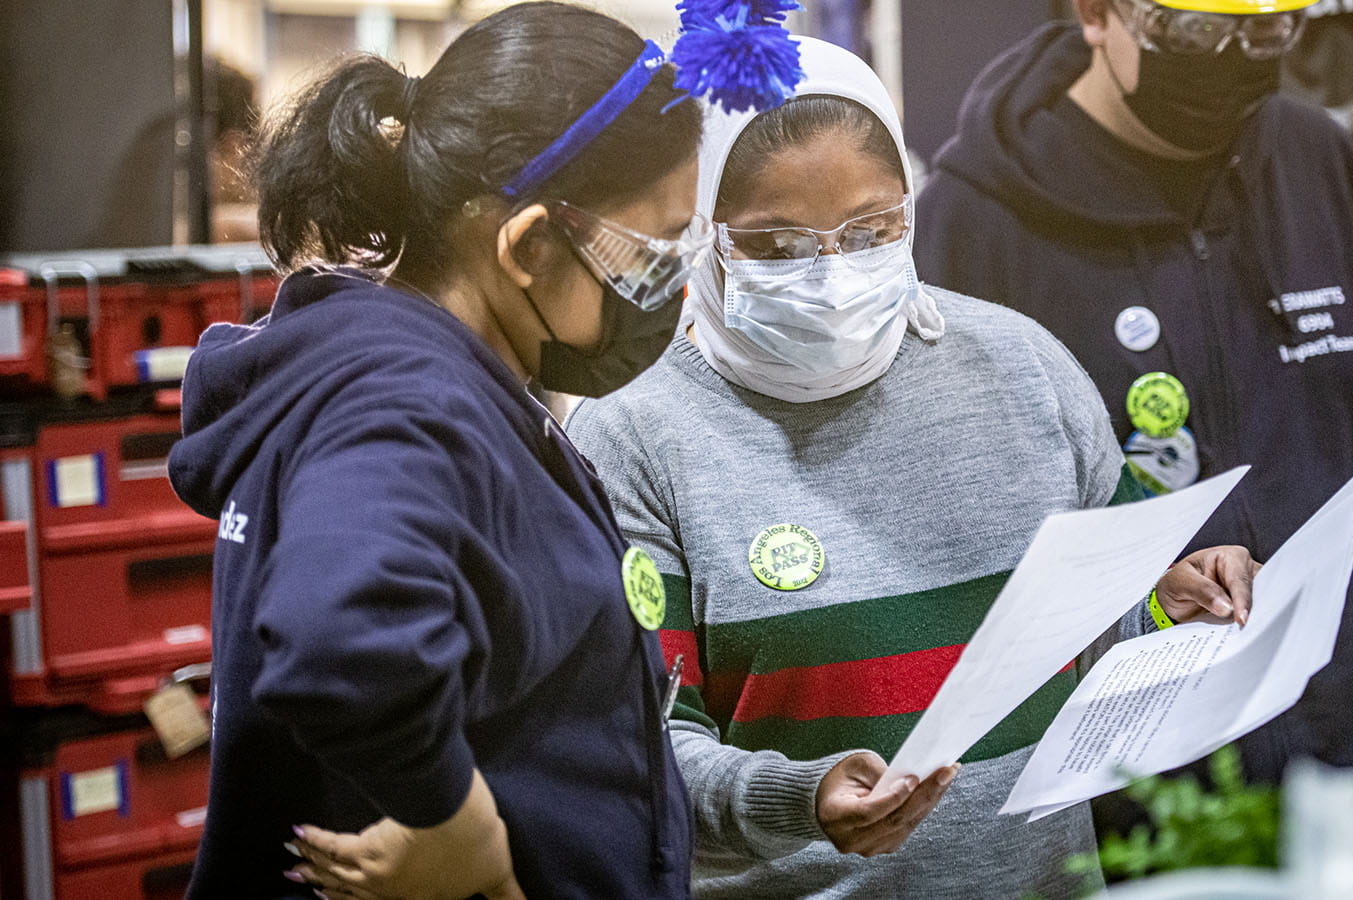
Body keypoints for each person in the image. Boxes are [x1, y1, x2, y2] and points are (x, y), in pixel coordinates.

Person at [563, 37, 1260, 898]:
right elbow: (637, 750)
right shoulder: (634, 434)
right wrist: (800, 798)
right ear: (704, 233)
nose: (829, 275)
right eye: (776, 245)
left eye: (869, 230)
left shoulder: (1021, 368)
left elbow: (1087, 636)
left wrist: (1168, 604)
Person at [166, 3, 707, 897]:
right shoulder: (408, 402)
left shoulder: (432, 375)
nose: (669, 289)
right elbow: (342, 635)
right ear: (530, 244)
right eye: (648, 253)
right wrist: (460, 825)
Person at [913, 0, 1353, 803]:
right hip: (1128, 797)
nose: (1233, 57)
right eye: (1195, 30)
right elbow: (955, 539)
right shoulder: (974, 226)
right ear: (1095, 15)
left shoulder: (1318, 162)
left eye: (1267, 30)